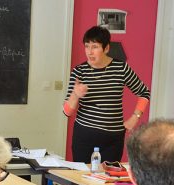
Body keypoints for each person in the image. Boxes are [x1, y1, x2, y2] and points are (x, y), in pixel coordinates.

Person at [64, 26, 150, 164]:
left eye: (95, 47)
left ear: (106, 48)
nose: (90, 52)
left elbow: (144, 92)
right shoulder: (79, 71)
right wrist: (75, 94)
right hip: (84, 137)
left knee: (106, 180)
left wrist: (135, 117)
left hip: (112, 139)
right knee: (81, 179)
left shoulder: (121, 68)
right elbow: (67, 112)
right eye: (87, 46)